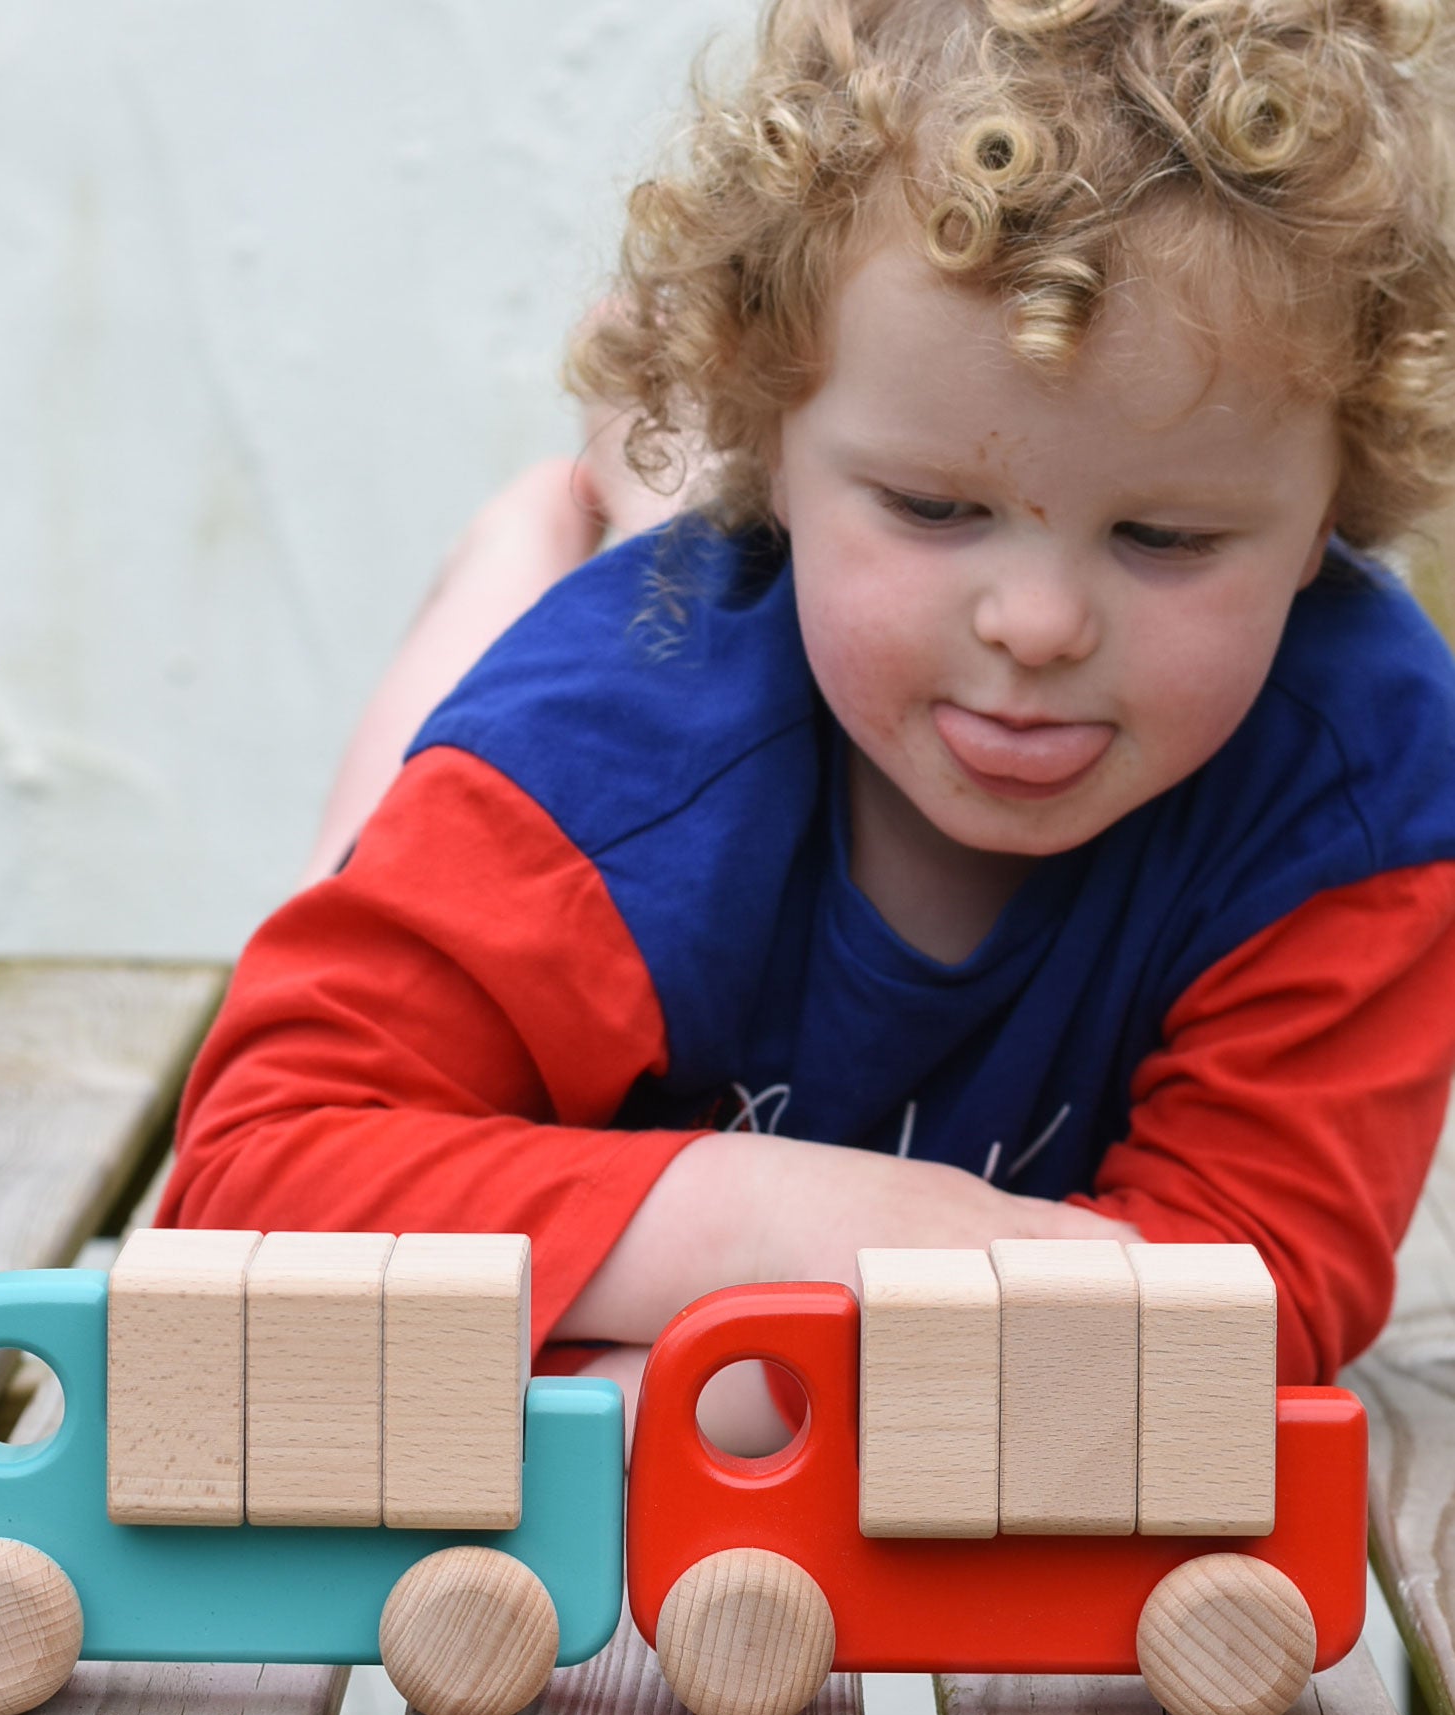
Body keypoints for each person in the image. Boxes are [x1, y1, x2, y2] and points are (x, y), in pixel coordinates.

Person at [159, 0, 1455, 1449]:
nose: (1037, 623)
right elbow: (249, 1191)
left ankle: (677, 511)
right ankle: (534, 545)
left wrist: (697, 1388)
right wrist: (780, 1219)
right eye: (933, 506)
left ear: (1328, 512)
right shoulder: (600, 751)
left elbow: (1252, 1297)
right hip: (645, 714)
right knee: (397, 811)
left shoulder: (1358, 779)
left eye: (1161, 534)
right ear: (767, 436)